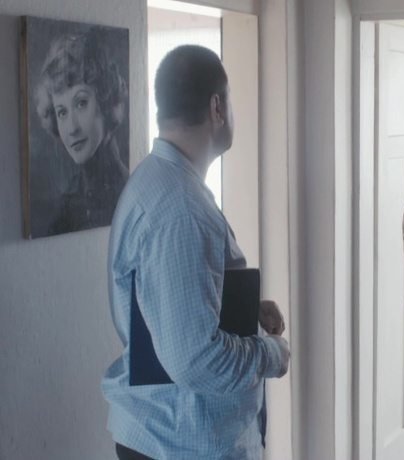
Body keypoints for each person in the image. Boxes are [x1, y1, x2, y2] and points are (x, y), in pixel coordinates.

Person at [102, 45, 290, 459]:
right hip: (181, 443)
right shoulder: (181, 210)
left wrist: (241, 311)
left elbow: (161, 306)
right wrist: (271, 354)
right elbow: (196, 360)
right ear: (217, 107)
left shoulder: (155, 179)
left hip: (166, 435)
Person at [34, 28, 129, 235]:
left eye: (81, 103)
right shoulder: (67, 208)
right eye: (62, 112)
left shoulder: (130, 192)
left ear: (104, 99)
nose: (72, 128)